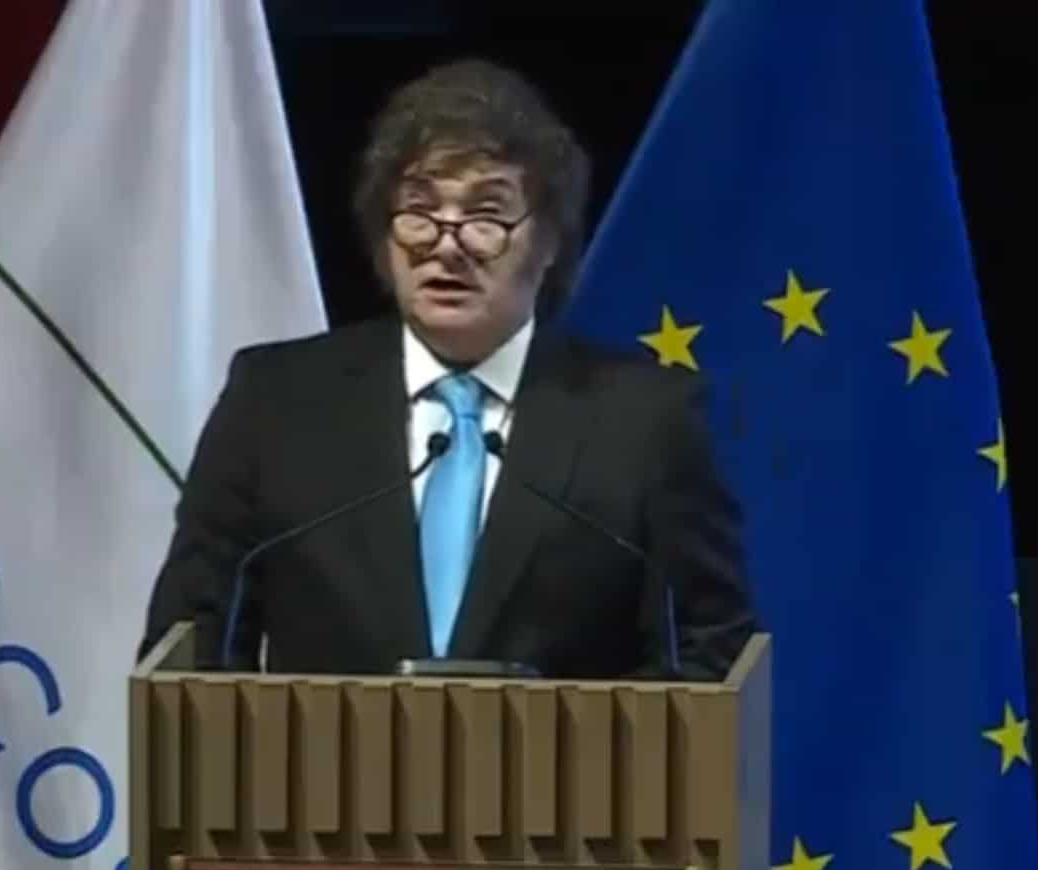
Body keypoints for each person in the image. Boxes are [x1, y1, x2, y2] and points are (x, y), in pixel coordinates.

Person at [139, 58, 757, 680]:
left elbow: (712, 652)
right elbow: (191, 642)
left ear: (548, 241)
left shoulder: (644, 420)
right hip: (317, 750)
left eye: (486, 216)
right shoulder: (275, 402)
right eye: (419, 210)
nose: (447, 243)